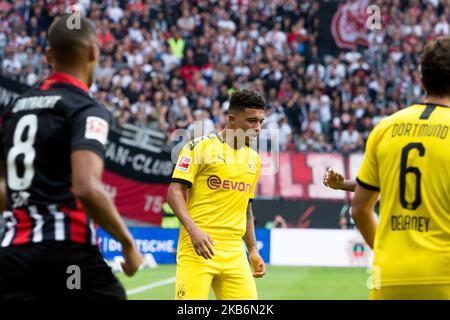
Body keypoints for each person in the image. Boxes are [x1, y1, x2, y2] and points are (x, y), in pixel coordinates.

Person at [0, 15, 143, 300]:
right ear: (94, 52)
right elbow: (86, 187)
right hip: (67, 251)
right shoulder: (86, 109)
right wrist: (128, 244)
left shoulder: (15, 109)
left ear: (48, 55)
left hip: (12, 255)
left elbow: (3, 190)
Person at [351, 36, 450, 299]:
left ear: (421, 78)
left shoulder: (386, 127)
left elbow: (360, 208)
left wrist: (382, 251)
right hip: (443, 277)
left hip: (389, 276)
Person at [167, 89, 266, 300]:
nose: (257, 128)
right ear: (232, 119)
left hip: (234, 253)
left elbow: (246, 207)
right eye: (251, 121)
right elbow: (174, 193)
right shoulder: (199, 148)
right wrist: (194, 231)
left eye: (260, 122)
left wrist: (253, 249)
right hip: (198, 248)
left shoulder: (254, 160)